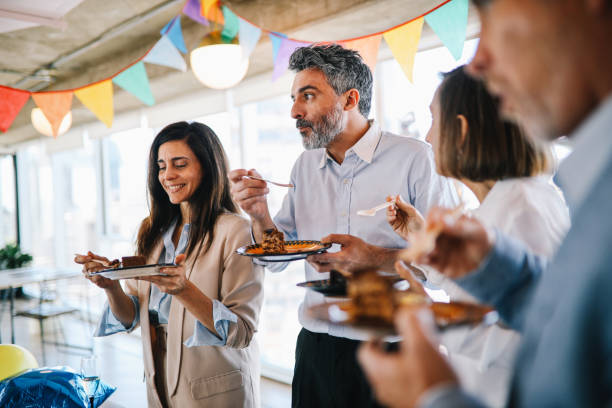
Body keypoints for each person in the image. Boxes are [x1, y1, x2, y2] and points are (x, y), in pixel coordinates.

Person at [358, 0, 612, 407]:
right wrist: (489, 267)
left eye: (490, 14)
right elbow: (571, 323)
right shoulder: (579, 191)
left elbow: (541, 359)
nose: (477, 61)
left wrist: (433, 392)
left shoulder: (526, 204)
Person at [229, 44, 458, 407]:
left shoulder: (416, 159)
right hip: (316, 349)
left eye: (308, 96)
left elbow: (447, 262)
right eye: (293, 98)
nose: (294, 111)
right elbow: (275, 257)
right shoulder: (304, 168)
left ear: (350, 99)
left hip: (394, 346)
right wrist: (258, 213)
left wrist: (374, 257)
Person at [386, 65, 569, 407]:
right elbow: (482, 298)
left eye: (433, 121)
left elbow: (537, 343)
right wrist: (421, 235)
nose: (427, 138)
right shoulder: (506, 202)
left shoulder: (522, 207)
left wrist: (432, 319)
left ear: (462, 129)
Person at [75, 122, 263, 408]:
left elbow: (242, 332)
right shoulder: (151, 231)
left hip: (216, 389)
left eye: (180, 164)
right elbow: (131, 316)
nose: (168, 175)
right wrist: (110, 286)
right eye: (161, 166)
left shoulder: (235, 231)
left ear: (208, 167)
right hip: (159, 382)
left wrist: (184, 290)